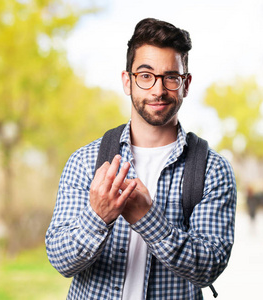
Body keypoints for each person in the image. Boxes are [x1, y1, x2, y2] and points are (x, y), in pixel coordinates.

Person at [45, 18, 237, 300]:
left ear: (186, 84)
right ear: (128, 81)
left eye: (171, 77)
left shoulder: (212, 169)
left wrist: (147, 219)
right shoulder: (85, 161)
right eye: (146, 76)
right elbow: (61, 261)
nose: (158, 90)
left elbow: (209, 266)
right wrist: (98, 217)